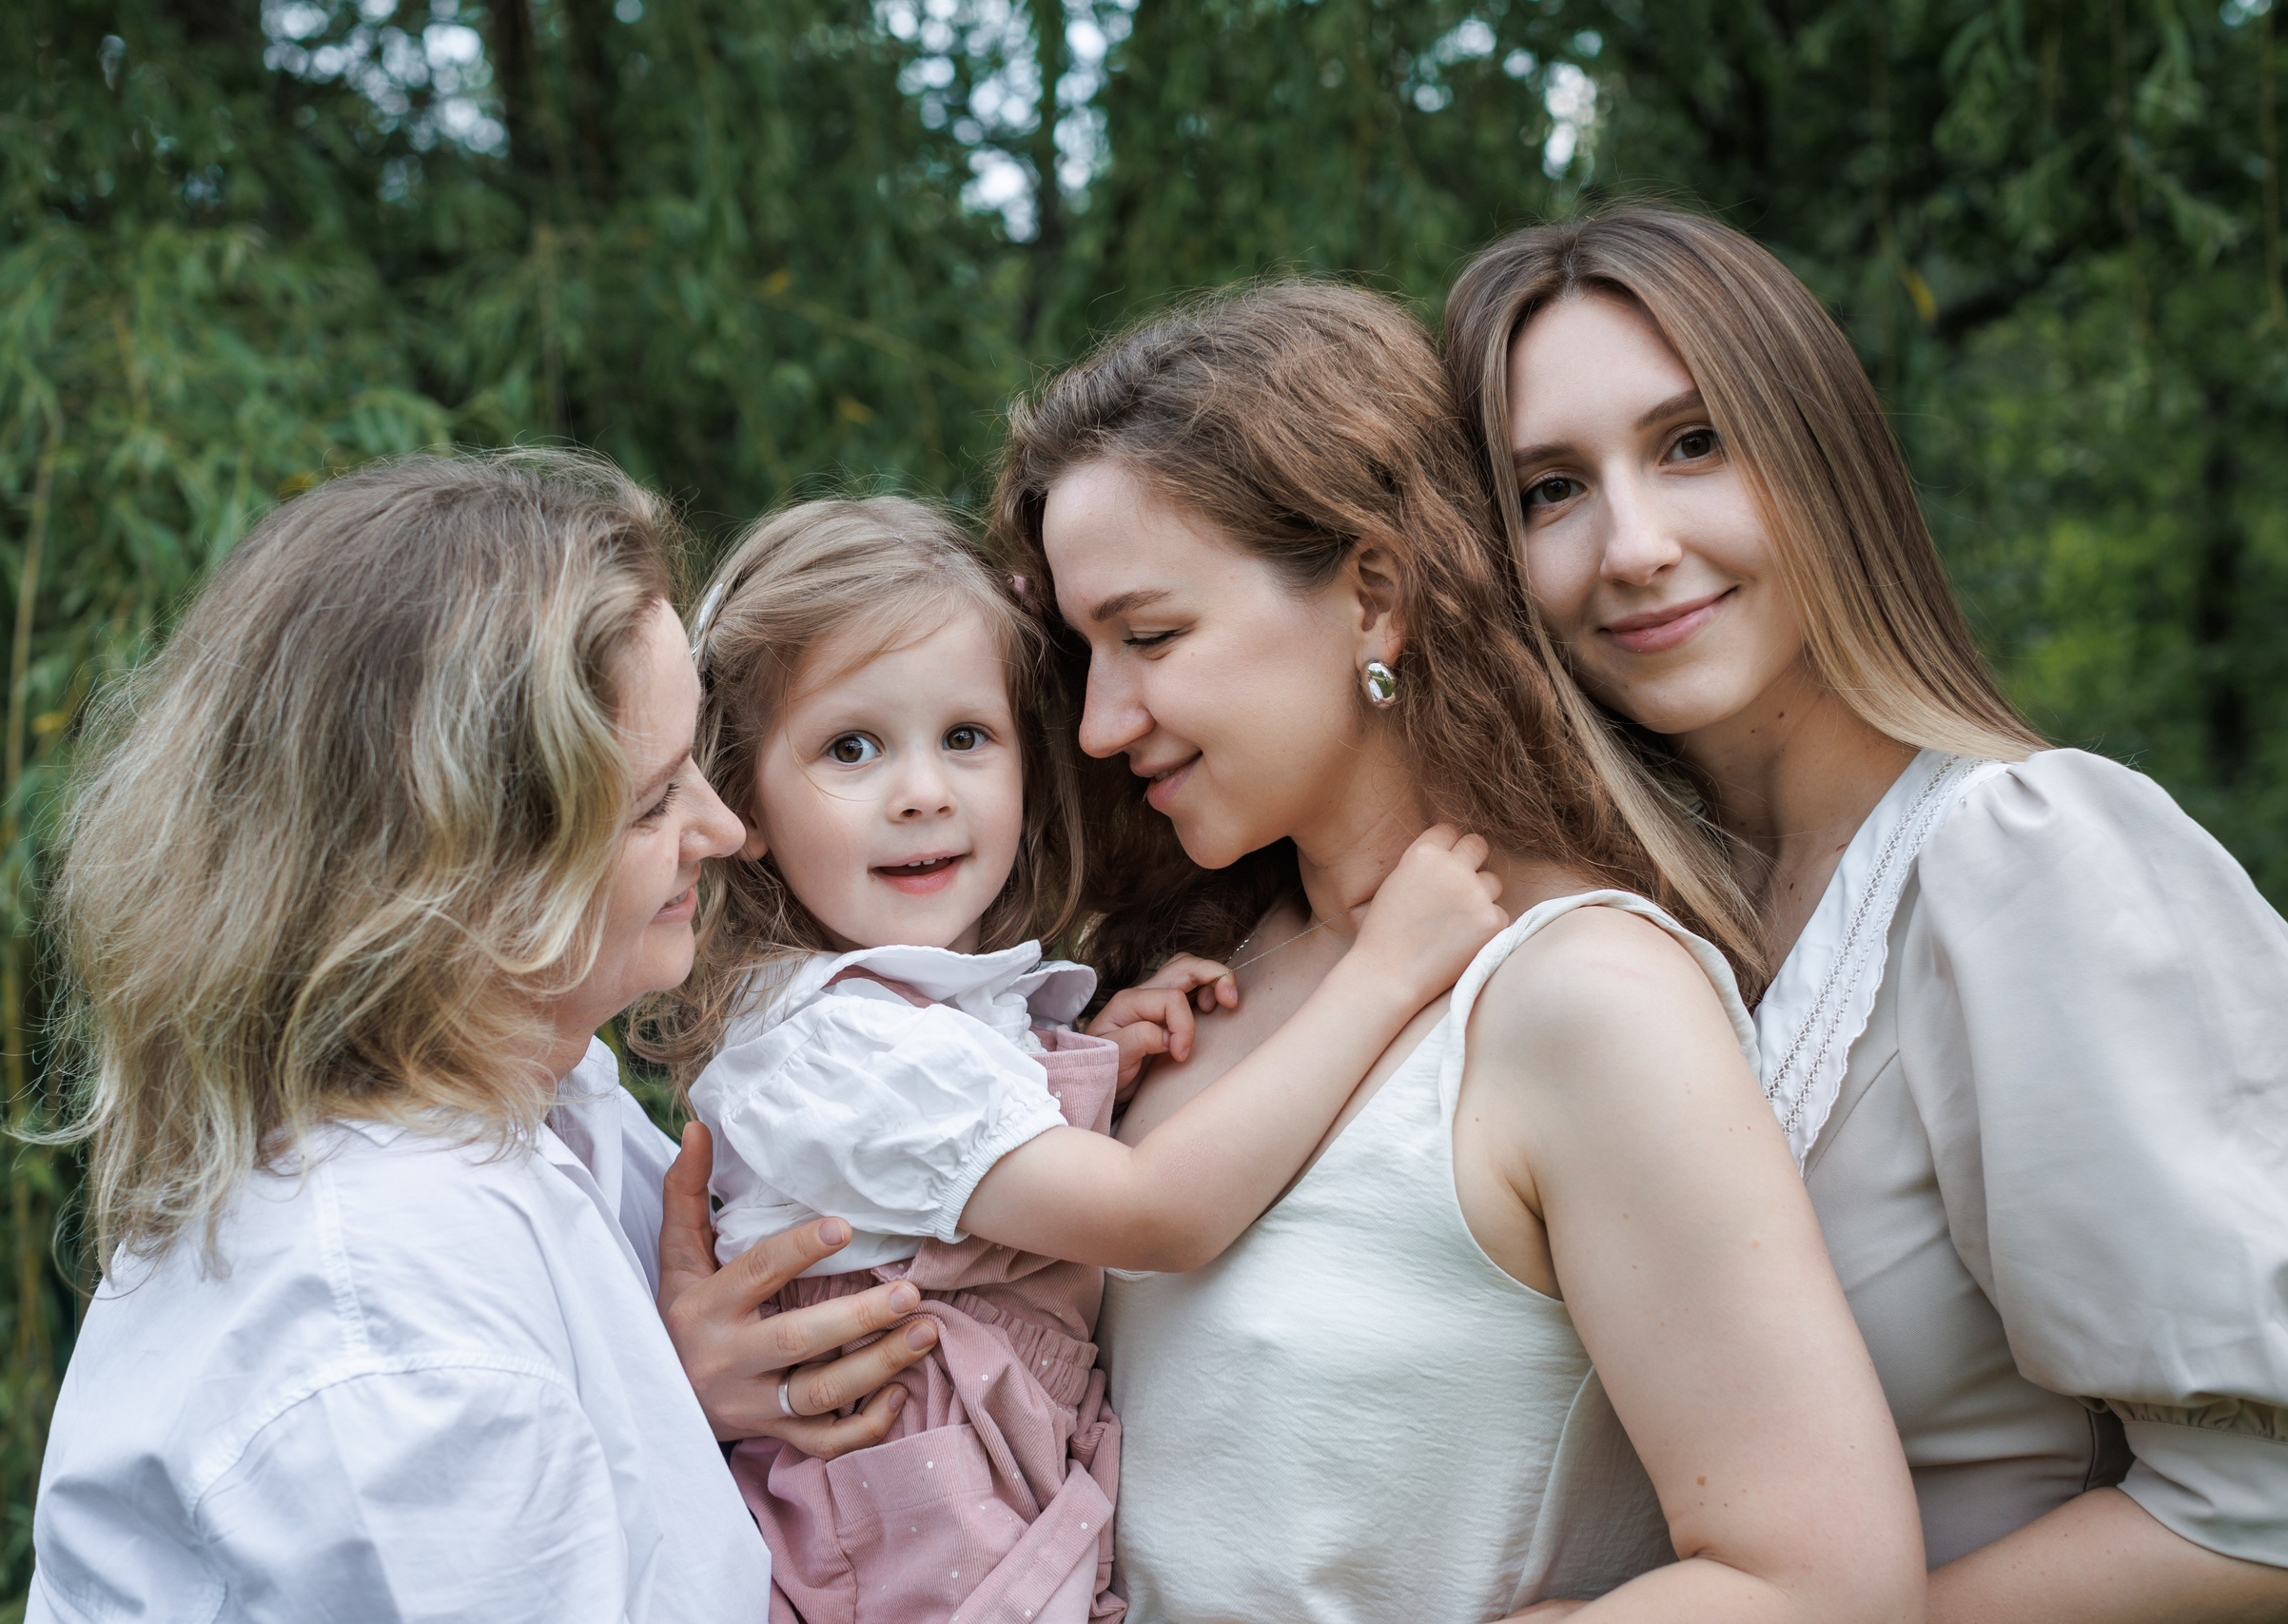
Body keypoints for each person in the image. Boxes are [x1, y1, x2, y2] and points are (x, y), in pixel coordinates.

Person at [981, 283, 1926, 1623]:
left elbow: (1826, 1582)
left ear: (1375, 593)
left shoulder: (1583, 995)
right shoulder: (1184, 989)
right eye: (1084, 654)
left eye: (1150, 636)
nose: (1100, 722)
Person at [1442, 205, 2288, 1622]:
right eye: (1548, 489)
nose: (1635, 545)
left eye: (1693, 443)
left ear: (1819, 458)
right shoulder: (1624, 930)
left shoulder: (2027, 854)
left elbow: (2261, 1510)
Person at [27, 453, 936, 1624]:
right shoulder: (395, 1337)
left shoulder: (537, 1096)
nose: (726, 830)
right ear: (460, 873)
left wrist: (669, 1390)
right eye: (653, 803)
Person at [639, 496, 1504, 1623]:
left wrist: (1087, 1060)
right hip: (916, 1558)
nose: (921, 790)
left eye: (965, 737)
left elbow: (956, 1181)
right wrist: (1385, 972)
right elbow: (1156, 1215)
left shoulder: (923, 1020)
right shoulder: (830, 1048)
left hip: (980, 1522)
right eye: (850, 747)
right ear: (743, 799)